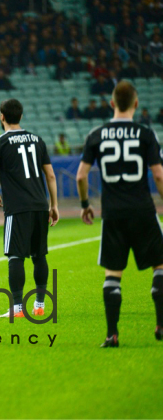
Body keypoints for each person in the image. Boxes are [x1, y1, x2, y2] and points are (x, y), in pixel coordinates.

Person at [76, 81, 163, 348]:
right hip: (142, 209)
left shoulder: (96, 134)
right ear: (136, 104)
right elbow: (158, 174)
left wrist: (85, 204)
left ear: (112, 103)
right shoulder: (146, 134)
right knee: (159, 266)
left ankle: (111, 335)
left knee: (113, 274)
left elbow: (80, 175)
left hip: (112, 213)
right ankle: (160, 325)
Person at [0, 99, 59, 319]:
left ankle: (17, 309)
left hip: (17, 208)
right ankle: (39, 306)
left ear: (1, 117)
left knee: (15, 257)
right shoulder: (38, 140)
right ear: (21, 116)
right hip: (40, 205)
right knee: (39, 255)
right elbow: (51, 176)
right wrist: (53, 205)